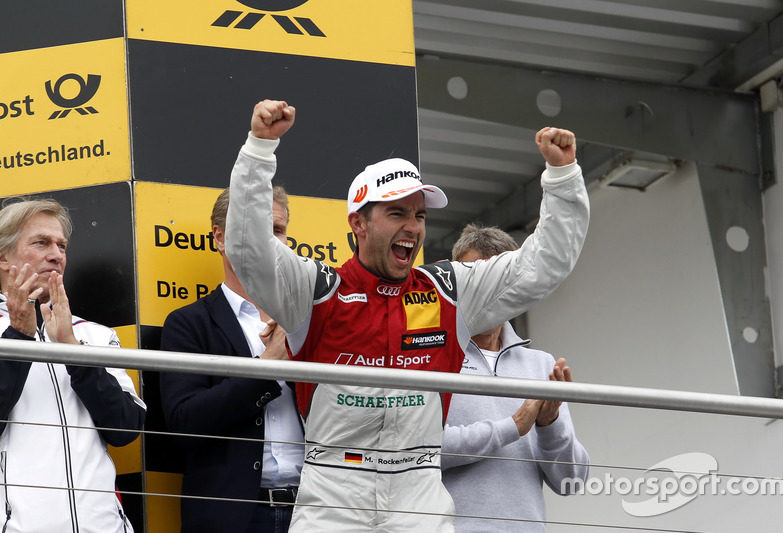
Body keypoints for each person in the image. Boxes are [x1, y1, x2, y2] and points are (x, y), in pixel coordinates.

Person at [224, 99, 590, 532]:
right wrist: (259, 150)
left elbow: (541, 268)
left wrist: (563, 178)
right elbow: (250, 253)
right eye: (396, 213)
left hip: (419, 488)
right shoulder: (318, 290)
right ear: (358, 223)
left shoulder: (449, 291)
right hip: (333, 491)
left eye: (419, 215)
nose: (413, 227)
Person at [160, 187, 304, 533]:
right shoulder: (188, 324)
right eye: (257, 229)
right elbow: (184, 422)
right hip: (234, 517)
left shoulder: (310, 321)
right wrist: (267, 366)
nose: (271, 242)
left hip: (315, 512)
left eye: (278, 230)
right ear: (220, 238)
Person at [0, 198, 146, 533]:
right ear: (3, 258)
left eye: (61, 245)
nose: (56, 254)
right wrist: (19, 336)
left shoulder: (93, 334)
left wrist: (73, 352)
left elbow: (126, 428)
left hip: (104, 526)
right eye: (41, 243)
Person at [441, 224, 589, 532]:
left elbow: (572, 482)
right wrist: (513, 426)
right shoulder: (433, 358)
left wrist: (549, 426)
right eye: (475, 281)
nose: (485, 293)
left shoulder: (541, 365)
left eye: (497, 282)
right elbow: (417, 453)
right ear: (456, 283)